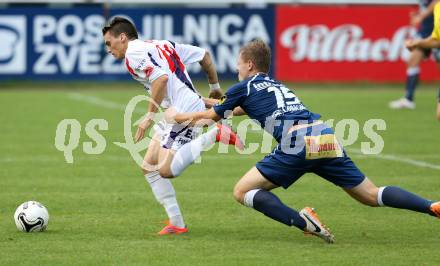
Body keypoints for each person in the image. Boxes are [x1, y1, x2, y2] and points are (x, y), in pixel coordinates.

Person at [167, 40, 440, 243]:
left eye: (239, 63)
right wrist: (204, 101)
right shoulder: (277, 85)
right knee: (371, 195)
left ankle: (304, 221)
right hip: (324, 136)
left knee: (242, 192)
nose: (237, 68)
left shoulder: (244, 87)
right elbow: (233, 108)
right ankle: (430, 206)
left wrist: (177, 115)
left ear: (249, 64)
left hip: (296, 143)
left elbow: (208, 119)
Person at [102, 17, 242, 235]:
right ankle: (177, 223)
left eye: (109, 43)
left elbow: (161, 80)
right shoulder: (163, 44)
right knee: (148, 166)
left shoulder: (132, 54)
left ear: (122, 37)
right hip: (177, 109)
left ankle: (216, 134)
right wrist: (214, 86)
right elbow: (205, 56)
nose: (108, 49)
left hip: (181, 111)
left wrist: (148, 116)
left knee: (165, 170)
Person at [389, 0, 440, 110]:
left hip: (436, 32)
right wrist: (417, 15)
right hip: (425, 32)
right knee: (412, 60)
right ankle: (408, 98)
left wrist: (421, 16)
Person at [406, 2, 440, 121]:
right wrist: (417, 42)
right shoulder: (437, 9)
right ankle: (408, 98)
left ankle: (408, 98)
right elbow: (437, 40)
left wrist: (421, 16)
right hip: (427, 34)